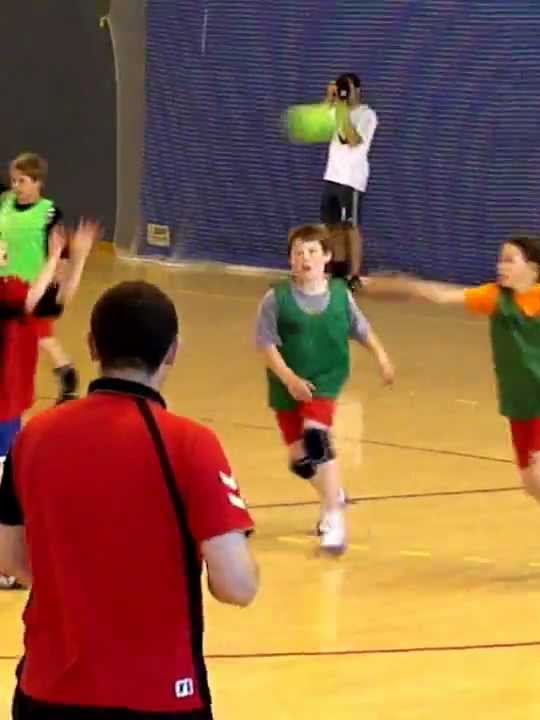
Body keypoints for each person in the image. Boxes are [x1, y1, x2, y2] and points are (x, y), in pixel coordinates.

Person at [0, 280, 259, 718]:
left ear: (91, 345)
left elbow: (10, 559)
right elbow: (236, 586)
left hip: (46, 692)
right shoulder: (191, 444)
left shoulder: (34, 438)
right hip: (159, 695)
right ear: (173, 350)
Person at [367, 236, 540, 579]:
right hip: (521, 399)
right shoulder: (495, 297)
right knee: (531, 480)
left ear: (532, 268)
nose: (500, 266)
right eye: (500, 259)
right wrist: (406, 286)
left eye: (509, 260)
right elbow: (442, 297)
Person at [255, 224, 394, 554]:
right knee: (300, 461)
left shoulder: (340, 295)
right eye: (298, 253)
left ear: (327, 257)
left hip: (326, 379)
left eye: (313, 252)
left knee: (317, 437)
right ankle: (334, 494)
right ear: (290, 260)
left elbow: (361, 329)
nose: (305, 258)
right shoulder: (276, 298)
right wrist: (288, 378)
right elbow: (265, 344)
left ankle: (333, 518)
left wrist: (382, 356)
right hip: (287, 383)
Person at [0, 219, 96, 590]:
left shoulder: (15, 286)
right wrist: (57, 255)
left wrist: (79, 259)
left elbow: (54, 303)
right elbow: (31, 302)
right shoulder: (10, 294)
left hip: (10, 405)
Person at [0, 152, 80, 402]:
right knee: (34, 335)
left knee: (36, 333)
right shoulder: (5, 203)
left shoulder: (49, 212)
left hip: (32, 284)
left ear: (37, 182)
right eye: (13, 181)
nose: (16, 187)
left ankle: (66, 374)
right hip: (5, 281)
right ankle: (66, 372)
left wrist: (59, 274)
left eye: (22, 181)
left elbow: (61, 249)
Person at [321, 72, 377, 291]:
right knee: (332, 227)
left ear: (358, 90)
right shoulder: (336, 110)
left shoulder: (367, 115)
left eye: (348, 87)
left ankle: (354, 275)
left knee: (351, 227)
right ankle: (338, 271)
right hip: (331, 176)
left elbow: (353, 140)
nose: (345, 91)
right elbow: (320, 125)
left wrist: (342, 109)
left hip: (351, 179)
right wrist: (329, 99)